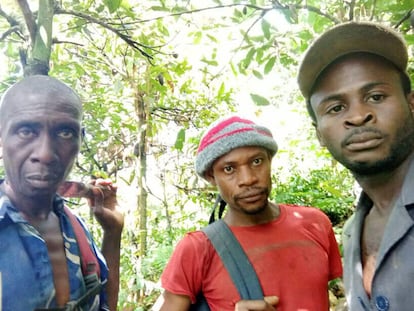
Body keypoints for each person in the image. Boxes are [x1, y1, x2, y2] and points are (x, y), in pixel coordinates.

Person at [158, 116, 343, 310]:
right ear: (211, 177)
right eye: (229, 169)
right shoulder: (197, 249)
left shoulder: (315, 223)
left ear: (269, 160)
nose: (248, 179)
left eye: (256, 161)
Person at [298, 21, 414, 310]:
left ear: (412, 104)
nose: (359, 116)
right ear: (319, 135)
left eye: (375, 97)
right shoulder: (352, 231)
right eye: (336, 108)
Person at [0, 75, 124, 310]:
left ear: (80, 139)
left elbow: (103, 306)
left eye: (65, 133)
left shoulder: (75, 228)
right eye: (26, 131)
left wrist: (113, 233)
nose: (45, 154)